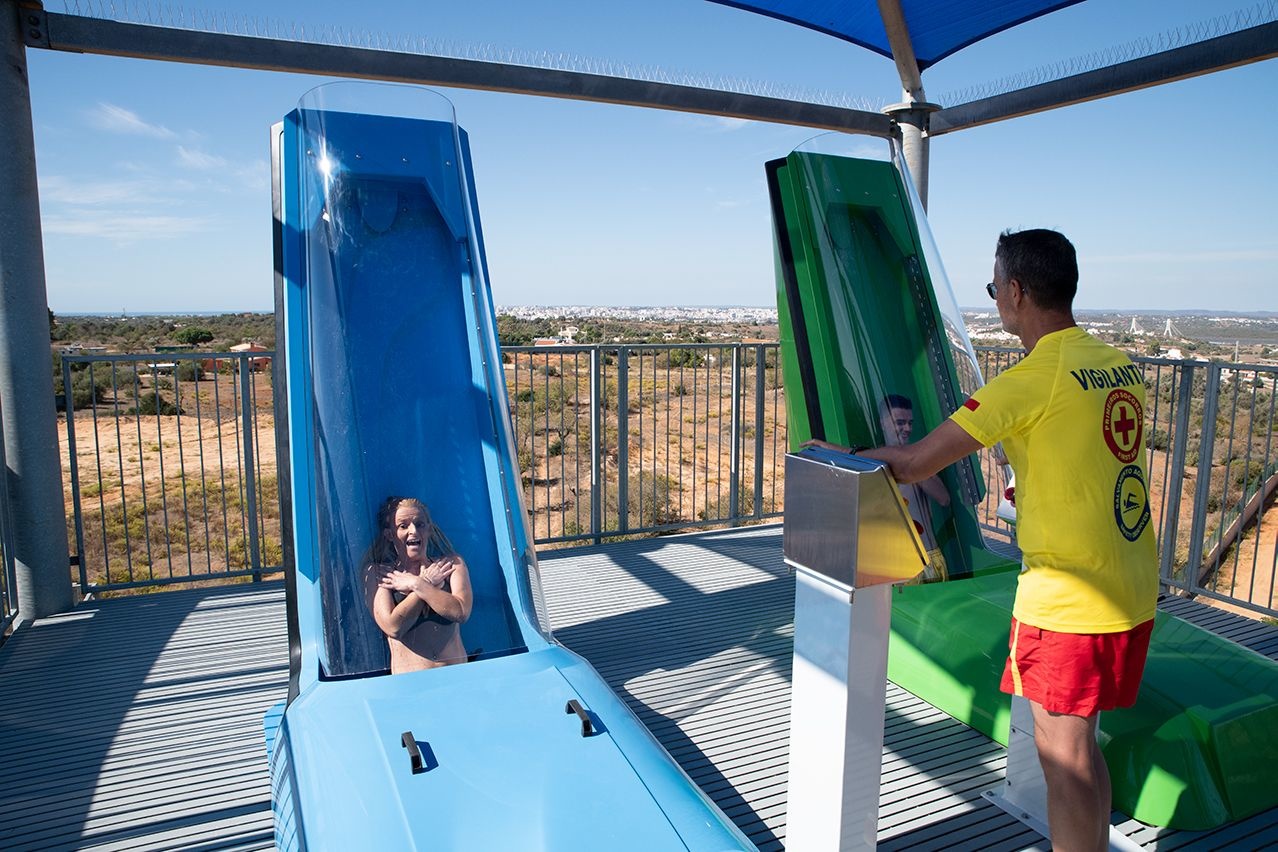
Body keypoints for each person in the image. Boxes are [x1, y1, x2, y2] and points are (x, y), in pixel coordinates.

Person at [858, 229, 1157, 852]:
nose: (996, 300)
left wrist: (847, 455)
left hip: (1067, 599)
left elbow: (915, 464)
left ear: (1018, 292)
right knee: (1083, 748)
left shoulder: (1027, 381)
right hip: (1128, 584)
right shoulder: (1116, 363)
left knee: (1063, 756)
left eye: (996, 288)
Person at [363, 496, 473, 673]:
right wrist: (427, 584)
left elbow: (460, 611)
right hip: (411, 684)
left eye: (420, 524)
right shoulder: (381, 574)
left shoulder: (451, 565)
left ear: (429, 529)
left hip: (457, 677)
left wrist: (417, 584)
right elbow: (393, 627)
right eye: (403, 526)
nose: (413, 531)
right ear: (390, 534)